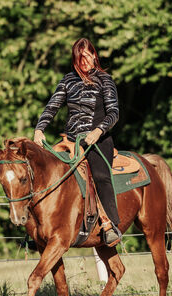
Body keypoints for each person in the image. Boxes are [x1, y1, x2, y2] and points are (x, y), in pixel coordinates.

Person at [34, 38, 121, 246]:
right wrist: (39, 129)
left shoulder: (105, 80)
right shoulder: (67, 81)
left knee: (100, 176)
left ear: (94, 55)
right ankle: (37, 230)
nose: (84, 61)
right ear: (74, 59)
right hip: (71, 140)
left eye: (87, 56)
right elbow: (52, 106)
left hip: (98, 140)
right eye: (79, 57)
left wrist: (98, 130)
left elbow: (114, 112)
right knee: (44, 172)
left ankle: (112, 225)